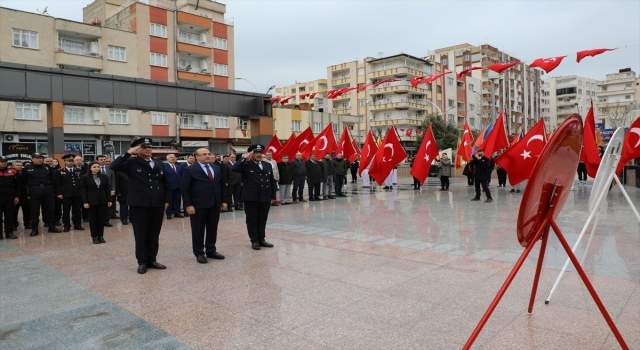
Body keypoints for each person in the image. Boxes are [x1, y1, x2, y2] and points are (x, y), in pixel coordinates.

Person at [110, 137, 170, 274]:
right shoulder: (131, 162)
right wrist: (128, 153)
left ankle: (152, 259)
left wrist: (166, 200)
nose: (148, 149)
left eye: (149, 146)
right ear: (137, 149)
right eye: (144, 147)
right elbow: (114, 166)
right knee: (141, 234)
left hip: (157, 203)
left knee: (154, 234)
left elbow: (165, 183)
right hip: (139, 204)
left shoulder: (159, 163)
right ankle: (142, 262)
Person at [181, 148, 227, 264]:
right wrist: (188, 204)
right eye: (204, 154)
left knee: (212, 228)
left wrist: (224, 200)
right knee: (198, 230)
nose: (207, 156)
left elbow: (222, 185)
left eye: (208, 154)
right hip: (198, 205)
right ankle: (199, 253)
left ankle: (211, 250)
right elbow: (185, 188)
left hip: (215, 204)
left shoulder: (216, 168)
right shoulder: (190, 170)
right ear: (197, 157)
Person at [232, 144, 277, 250]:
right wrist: (243, 158)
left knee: (262, 219)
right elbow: (234, 168)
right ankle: (254, 240)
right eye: (255, 152)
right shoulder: (246, 164)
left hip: (265, 196)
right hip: (251, 197)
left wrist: (273, 195)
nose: (258, 154)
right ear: (251, 154)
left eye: (260, 152)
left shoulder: (267, 165)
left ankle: (261, 239)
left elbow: (272, 181)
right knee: (252, 220)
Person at [23, 153, 61, 236]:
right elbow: (24, 181)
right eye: (37, 158)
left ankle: (52, 227)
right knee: (34, 211)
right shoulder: (27, 168)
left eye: (40, 158)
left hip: (47, 190)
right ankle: (34, 229)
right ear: (32, 159)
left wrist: (52, 189)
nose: (39, 159)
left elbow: (53, 179)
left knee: (50, 209)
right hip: (34, 190)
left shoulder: (47, 167)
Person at [81, 161, 112, 244]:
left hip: (102, 201)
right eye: (94, 167)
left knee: (101, 219)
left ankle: (101, 236)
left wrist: (109, 200)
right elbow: (84, 191)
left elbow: (107, 189)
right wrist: (85, 202)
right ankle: (94, 237)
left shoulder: (104, 177)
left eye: (98, 167)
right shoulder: (85, 177)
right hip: (91, 201)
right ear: (90, 168)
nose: (96, 168)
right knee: (93, 220)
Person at [55, 154, 84, 232]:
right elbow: (58, 184)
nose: (71, 162)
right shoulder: (60, 171)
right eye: (69, 161)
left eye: (72, 161)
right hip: (66, 194)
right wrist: (59, 193)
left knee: (77, 210)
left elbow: (82, 182)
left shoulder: (79, 171)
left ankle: (77, 224)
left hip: (77, 193)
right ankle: (66, 225)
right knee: (66, 211)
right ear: (65, 162)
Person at [0, 156, 20, 240]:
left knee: (9, 216)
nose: (4, 162)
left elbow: (18, 185)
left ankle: (9, 233)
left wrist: (17, 196)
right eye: (2, 161)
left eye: (5, 161)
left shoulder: (13, 171)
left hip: (10, 197)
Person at [96, 155, 116, 227]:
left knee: (107, 206)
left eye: (104, 159)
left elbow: (113, 180)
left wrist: (113, 190)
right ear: (97, 161)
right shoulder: (95, 168)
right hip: (97, 191)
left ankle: (106, 221)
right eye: (101, 159)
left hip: (107, 191)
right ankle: (98, 221)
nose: (103, 160)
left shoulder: (110, 168)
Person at [11, 161, 31, 231]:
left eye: (21, 165)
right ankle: (14, 224)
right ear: (13, 166)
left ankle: (27, 223)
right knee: (14, 211)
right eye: (17, 165)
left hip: (25, 194)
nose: (19, 166)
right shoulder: (11, 173)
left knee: (27, 210)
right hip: (15, 195)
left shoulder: (25, 173)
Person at [163, 154, 184, 219]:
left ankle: (177, 213)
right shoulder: (164, 166)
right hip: (169, 186)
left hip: (178, 186)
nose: (173, 158)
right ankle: (168, 214)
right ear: (167, 159)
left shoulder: (179, 166)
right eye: (171, 157)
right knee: (169, 200)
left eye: (174, 157)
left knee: (177, 200)